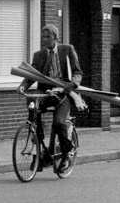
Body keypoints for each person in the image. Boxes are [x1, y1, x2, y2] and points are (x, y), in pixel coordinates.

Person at [18, 24, 83, 158]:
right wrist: (23, 86)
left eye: (48, 37)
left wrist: (72, 85)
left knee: (59, 123)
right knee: (33, 108)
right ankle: (39, 143)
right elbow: (32, 75)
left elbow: (77, 71)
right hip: (46, 93)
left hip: (63, 93)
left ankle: (66, 150)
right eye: (43, 37)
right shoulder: (38, 55)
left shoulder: (67, 50)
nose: (45, 39)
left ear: (55, 38)